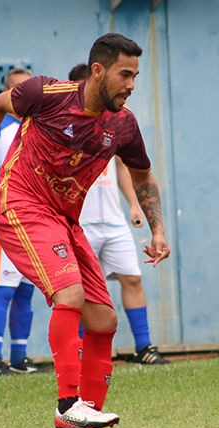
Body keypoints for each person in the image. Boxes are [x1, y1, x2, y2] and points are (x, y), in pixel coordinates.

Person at [0, 33, 170, 428]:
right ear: (98, 70)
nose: (131, 84)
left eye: (136, 77)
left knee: (104, 319)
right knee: (68, 292)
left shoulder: (123, 125)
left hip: (65, 221)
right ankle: (68, 404)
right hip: (21, 205)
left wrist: (157, 230)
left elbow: (142, 174)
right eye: (125, 74)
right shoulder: (46, 93)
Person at [69, 63, 169, 365]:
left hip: (113, 221)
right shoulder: (64, 123)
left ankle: (144, 349)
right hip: (79, 222)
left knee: (133, 278)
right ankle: (82, 353)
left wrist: (134, 205)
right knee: (78, 292)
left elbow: (128, 168)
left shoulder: (115, 122)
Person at [0, 67, 43, 376]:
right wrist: (0, 214)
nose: (22, 93)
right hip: (9, 224)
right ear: (7, 93)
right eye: (15, 89)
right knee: (4, 290)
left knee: (25, 292)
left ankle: (20, 359)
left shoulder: (41, 126)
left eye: (27, 87)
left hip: (35, 225)